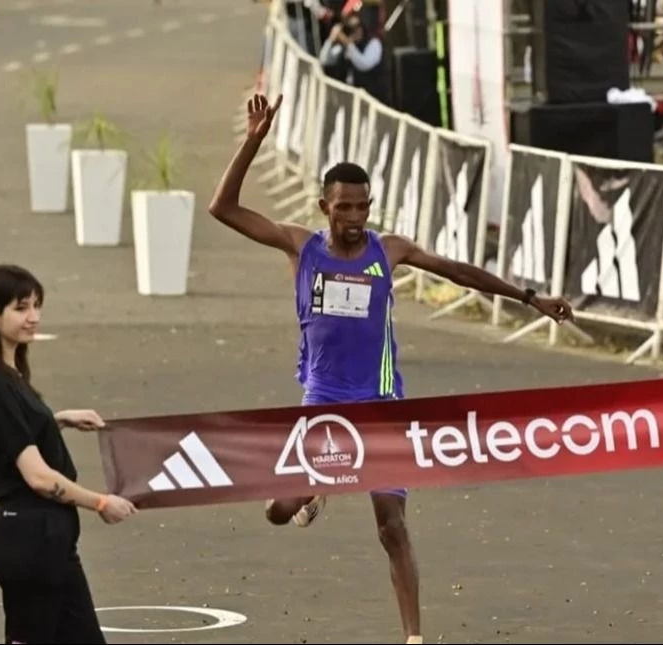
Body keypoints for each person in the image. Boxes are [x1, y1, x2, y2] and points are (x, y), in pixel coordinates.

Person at [207, 94, 575, 644]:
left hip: (380, 403)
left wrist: (528, 297)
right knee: (278, 513)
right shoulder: (300, 246)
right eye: (343, 208)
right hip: (323, 397)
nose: (354, 219)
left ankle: (415, 637)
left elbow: (457, 271)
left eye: (362, 207)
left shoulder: (390, 250)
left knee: (392, 526)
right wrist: (254, 140)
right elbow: (224, 208)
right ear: (324, 206)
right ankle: (313, 491)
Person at [0, 263, 137, 645]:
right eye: (21, 308)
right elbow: (38, 477)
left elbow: (11, 432)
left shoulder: (8, 375)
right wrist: (102, 502)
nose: (33, 317)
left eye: (37, 306)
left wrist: (56, 421)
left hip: (46, 540)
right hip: (29, 538)